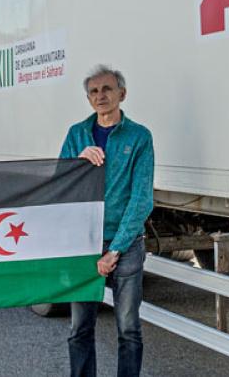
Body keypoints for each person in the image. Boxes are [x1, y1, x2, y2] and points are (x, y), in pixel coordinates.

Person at [59, 65, 155, 377]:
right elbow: (59, 183)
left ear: (121, 94)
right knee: (80, 328)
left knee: (128, 328)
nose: (100, 96)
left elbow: (141, 199)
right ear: (88, 99)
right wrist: (77, 161)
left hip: (125, 246)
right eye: (94, 92)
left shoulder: (139, 137)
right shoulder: (77, 134)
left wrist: (115, 249)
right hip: (83, 243)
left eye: (107, 89)